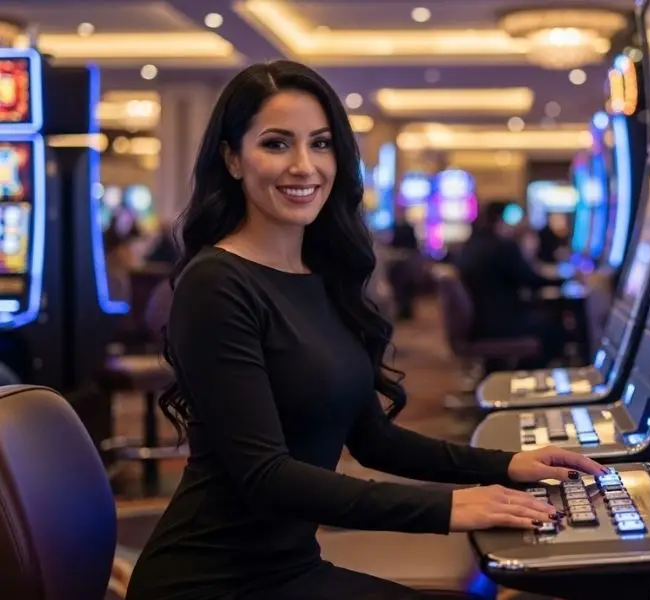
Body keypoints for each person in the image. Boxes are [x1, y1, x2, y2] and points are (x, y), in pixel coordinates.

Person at [125, 60, 606, 600]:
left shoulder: (323, 276)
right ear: (232, 159)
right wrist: (448, 507)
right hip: (212, 580)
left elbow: (372, 439)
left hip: (289, 567)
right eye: (277, 144)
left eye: (322, 143)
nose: (305, 166)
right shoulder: (216, 283)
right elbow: (265, 474)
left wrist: (507, 466)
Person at [458, 201, 568, 367]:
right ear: (502, 220)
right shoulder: (502, 246)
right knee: (557, 330)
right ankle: (523, 377)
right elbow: (530, 280)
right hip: (499, 323)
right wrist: (566, 277)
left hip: (479, 323)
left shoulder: (472, 243)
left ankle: (509, 373)